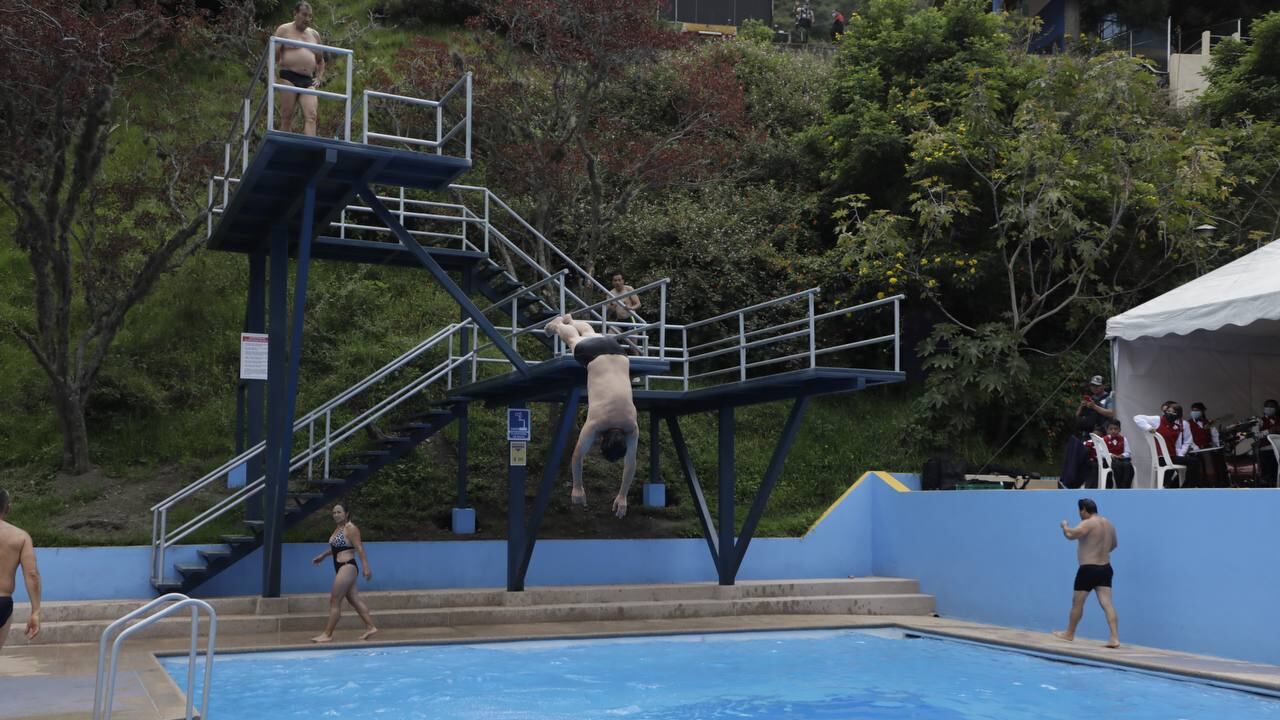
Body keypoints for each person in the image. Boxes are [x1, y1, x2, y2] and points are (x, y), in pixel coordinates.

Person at [543, 314, 640, 518]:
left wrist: (623, 495)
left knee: (589, 333)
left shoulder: (632, 425)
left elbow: (631, 463)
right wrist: (577, 487)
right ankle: (559, 324)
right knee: (573, 340)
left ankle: (571, 320)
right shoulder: (597, 422)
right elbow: (577, 456)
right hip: (594, 356)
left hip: (618, 352)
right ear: (601, 439)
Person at [1053, 498, 1119, 648]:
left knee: (1077, 602)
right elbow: (1114, 545)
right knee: (1107, 604)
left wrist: (1064, 526)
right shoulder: (1109, 524)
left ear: (1083, 510)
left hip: (1088, 569)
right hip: (1105, 568)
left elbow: (1071, 535)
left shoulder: (1088, 523)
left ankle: (1069, 633)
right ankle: (1114, 637)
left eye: (1079, 511)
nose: (1079, 514)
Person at [310, 503, 377, 642]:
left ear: (346, 513)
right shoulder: (338, 529)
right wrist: (323, 556)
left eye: (339, 512)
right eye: (334, 512)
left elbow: (359, 548)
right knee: (354, 600)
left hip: (347, 566)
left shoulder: (350, 528)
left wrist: (366, 567)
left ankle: (327, 634)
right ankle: (371, 627)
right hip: (341, 566)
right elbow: (336, 548)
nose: (336, 515)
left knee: (334, 600)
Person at [274, 2, 326, 136]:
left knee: (311, 116)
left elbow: (321, 60)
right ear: (295, 14)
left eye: (309, 16)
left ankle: (309, 148)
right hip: (288, 76)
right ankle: (285, 148)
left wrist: (319, 77)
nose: (307, 19)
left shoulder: (314, 35)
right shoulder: (284, 30)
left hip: (308, 80)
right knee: (287, 115)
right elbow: (273, 56)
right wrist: (273, 77)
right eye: (304, 15)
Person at [0, 488, 41, 651]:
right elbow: (32, 575)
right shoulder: (20, 537)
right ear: (7, 508)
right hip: (2, 602)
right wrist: (35, 611)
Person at [1133, 402, 1198, 488]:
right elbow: (1137, 418)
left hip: (1172, 457)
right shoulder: (1158, 419)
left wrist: (1181, 455)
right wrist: (1148, 428)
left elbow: (1177, 446)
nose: (1170, 414)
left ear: (1178, 415)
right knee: (1194, 462)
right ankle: (1187, 488)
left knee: (1193, 462)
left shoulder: (1177, 427)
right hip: (1162, 458)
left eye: (1174, 412)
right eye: (1168, 411)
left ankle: (1179, 487)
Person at [1187, 402, 1227, 487]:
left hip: (1207, 448)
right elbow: (1188, 438)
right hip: (1194, 449)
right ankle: (1201, 483)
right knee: (1202, 462)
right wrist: (1195, 447)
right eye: (1193, 410)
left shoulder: (1209, 422)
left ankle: (1214, 483)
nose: (1194, 412)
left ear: (1202, 411)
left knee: (1213, 459)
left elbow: (1214, 435)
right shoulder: (1188, 424)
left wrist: (1216, 446)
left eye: (1197, 410)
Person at [1101, 420, 1134, 489]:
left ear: (1119, 430)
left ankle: (1125, 487)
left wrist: (1122, 455)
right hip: (1109, 461)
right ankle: (1119, 487)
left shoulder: (1123, 439)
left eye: (1115, 429)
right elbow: (1101, 452)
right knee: (1117, 466)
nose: (1113, 431)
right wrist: (1110, 455)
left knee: (1128, 465)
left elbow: (1128, 452)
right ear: (1107, 430)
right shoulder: (1103, 440)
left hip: (1121, 459)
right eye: (1111, 429)